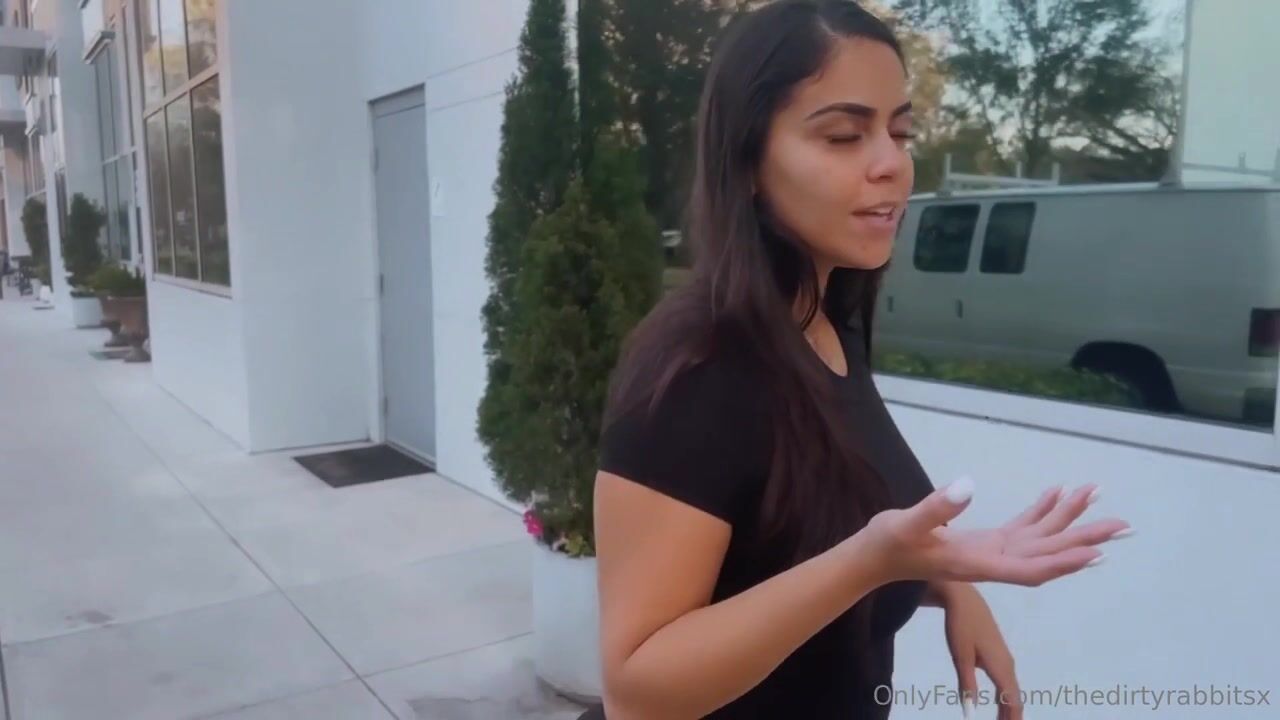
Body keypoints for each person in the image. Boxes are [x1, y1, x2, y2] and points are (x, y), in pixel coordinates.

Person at [588, 1, 1132, 718]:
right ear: (746, 162)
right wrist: (869, 564)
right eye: (844, 136)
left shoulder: (824, 327)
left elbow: (821, 523)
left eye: (900, 132)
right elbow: (635, 691)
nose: (892, 164)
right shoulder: (702, 370)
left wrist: (949, 581)